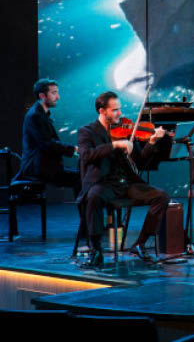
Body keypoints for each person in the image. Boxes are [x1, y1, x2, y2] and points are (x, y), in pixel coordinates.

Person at [77, 91, 169, 267]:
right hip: (103, 182)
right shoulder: (87, 131)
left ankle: (140, 244)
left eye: (120, 109)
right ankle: (96, 250)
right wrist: (113, 145)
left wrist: (151, 142)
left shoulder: (125, 130)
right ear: (102, 111)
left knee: (161, 196)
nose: (120, 113)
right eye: (115, 110)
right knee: (93, 197)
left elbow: (140, 161)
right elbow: (86, 156)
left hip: (125, 182)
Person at [15, 78, 80, 197]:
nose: (58, 97)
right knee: (79, 179)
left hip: (43, 165)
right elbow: (47, 144)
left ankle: (86, 215)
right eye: (54, 93)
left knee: (80, 176)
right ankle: (86, 215)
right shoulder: (35, 116)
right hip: (37, 168)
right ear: (42, 96)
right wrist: (74, 150)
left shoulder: (41, 114)